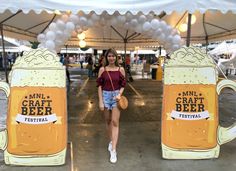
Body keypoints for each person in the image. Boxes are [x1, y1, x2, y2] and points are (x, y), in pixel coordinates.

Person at [96, 48, 126, 163]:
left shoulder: (121, 69)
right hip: (105, 96)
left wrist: (119, 94)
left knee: (115, 122)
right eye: (109, 56)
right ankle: (111, 141)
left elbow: (123, 84)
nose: (111, 58)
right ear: (106, 58)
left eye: (113, 56)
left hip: (116, 97)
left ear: (116, 57)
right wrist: (100, 101)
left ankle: (113, 149)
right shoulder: (102, 69)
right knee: (108, 121)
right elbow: (99, 86)